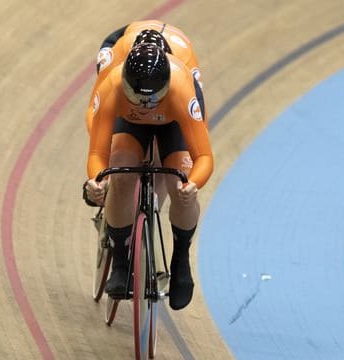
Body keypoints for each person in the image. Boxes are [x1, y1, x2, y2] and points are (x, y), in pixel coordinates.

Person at [84, 43, 213, 310]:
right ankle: (120, 259)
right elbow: (97, 151)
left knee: (180, 184)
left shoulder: (182, 90)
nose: (145, 105)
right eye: (137, 96)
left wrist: (193, 184)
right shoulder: (112, 85)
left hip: (174, 122)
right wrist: (98, 180)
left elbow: (204, 157)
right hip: (129, 123)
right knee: (119, 168)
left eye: (152, 97)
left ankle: (180, 257)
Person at [84, 21, 206, 211]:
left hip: (177, 66)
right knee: (116, 149)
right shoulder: (117, 63)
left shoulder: (184, 75)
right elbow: (94, 111)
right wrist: (102, 170)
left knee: (168, 163)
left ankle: (151, 208)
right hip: (123, 49)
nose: (146, 104)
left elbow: (199, 139)